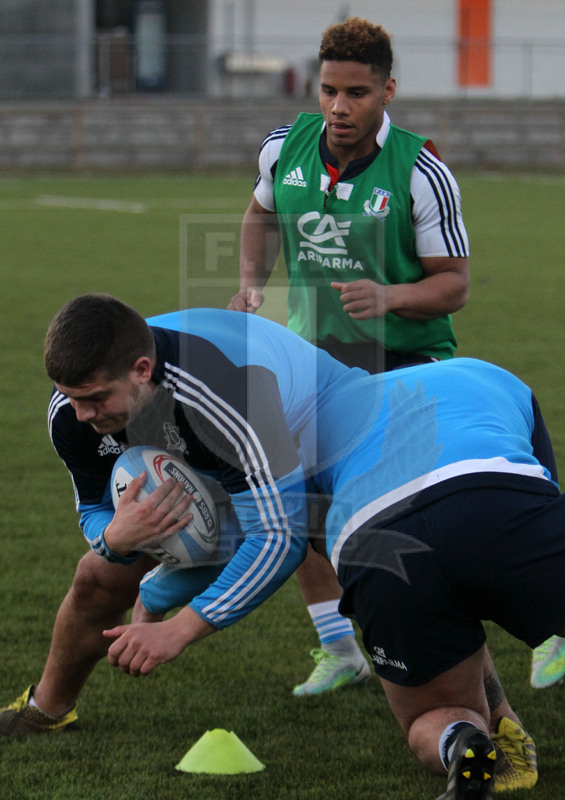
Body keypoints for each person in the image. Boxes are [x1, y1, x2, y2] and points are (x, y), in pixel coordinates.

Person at [1, 295, 537, 798]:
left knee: (374, 556)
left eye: (94, 399)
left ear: (142, 371)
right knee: (96, 575)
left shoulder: (224, 391)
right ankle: (49, 706)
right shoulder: (73, 411)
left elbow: (279, 536)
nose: (81, 414)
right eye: (71, 398)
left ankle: (501, 722)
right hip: (209, 464)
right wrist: (114, 539)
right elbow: (93, 508)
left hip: (313, 434)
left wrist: (180, 628)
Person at [229, 17, 471, 699]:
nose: (338, 107)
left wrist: (390, 297)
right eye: (328, 90)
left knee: (409, 518)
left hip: (405, 360)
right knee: (295, 499)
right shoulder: (284, 147)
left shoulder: (422, 172)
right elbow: (259, 215)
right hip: (312, 356)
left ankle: (503, 627)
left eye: (356, 93)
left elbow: (453, 283)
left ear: (386, 90)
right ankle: (338, 647)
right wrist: (253, 281)